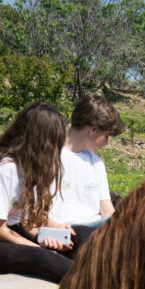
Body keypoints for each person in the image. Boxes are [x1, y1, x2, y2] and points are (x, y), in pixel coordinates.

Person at [0, 102, 95, 283]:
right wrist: (40, 247)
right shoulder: (4, 168)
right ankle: (92, 288)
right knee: (42, 258)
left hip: (14, 229)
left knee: (84, 236)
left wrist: (49, 227)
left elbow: (24, 217)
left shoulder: (28, 165)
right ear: (42, 141)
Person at [49, 93, 125, 228]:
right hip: (64, 230)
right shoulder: (50, 157)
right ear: (93, 129)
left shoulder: (96, 163)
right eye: (106, 136)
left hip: (94, 230)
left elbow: (106, 209)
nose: (106, 143)